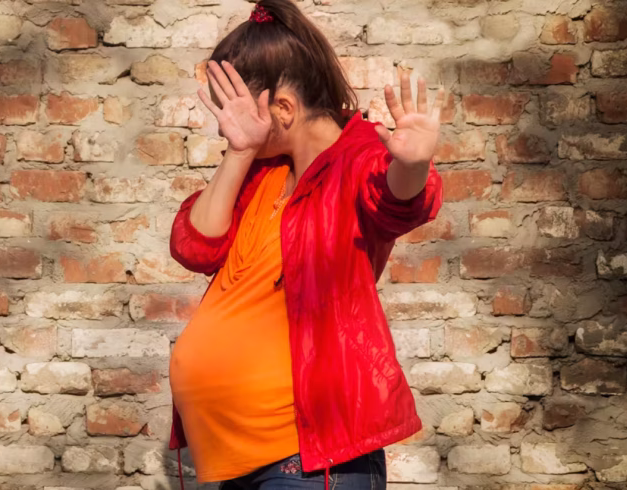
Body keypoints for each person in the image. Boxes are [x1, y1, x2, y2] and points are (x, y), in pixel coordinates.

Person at [166, 1, 445, 489]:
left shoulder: (355, 159)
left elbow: (396, 201)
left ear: (284, 109)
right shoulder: (262, 174)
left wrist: (413, 165)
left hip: (313, 464)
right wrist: (238, 151)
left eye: (233, 111)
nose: (222, 125)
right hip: (243, 466)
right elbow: (195, 247)